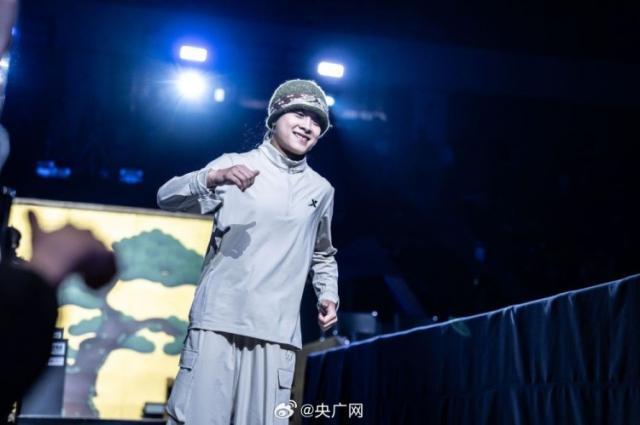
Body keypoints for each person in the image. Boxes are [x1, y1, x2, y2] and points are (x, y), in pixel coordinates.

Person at [157, 79, 339, 424]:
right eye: (299, 114)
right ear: (275, 117)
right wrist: (213, 177)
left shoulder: (321, 189)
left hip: (277, 332)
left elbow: (322, 253)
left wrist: (328, 294)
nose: (308, 125)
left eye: (317, 121)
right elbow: (166, 197)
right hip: (218, 321)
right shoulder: (233, 165)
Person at [0, 212, 117, 422]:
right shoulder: (29, 296)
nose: (73, 223)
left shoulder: (28, 301)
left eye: (89, 234)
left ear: (82, 257)